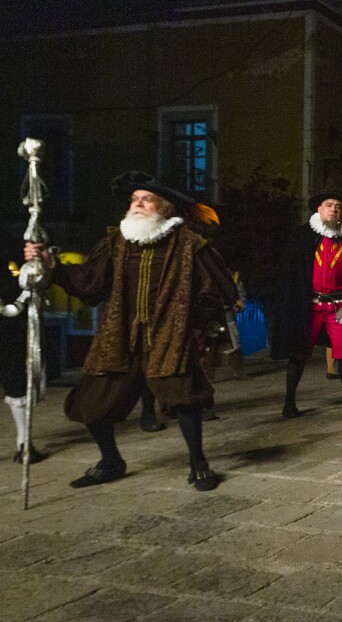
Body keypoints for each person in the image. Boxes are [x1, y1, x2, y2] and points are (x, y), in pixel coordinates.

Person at [24, 171, 237, 491]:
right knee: (91, 401)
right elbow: (89, 282)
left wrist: (196, 320)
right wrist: (49, 265)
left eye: (146, 199)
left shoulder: (190, 245)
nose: (137, 204)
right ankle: (111, 460)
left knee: (186, 398)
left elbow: (217, 289)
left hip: (169, 336)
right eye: (134, 200)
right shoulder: (116, 241)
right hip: (119, 335)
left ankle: (198, 463)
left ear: (165, 209)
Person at [271, 193, 342, 418]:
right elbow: (288, 274)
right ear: (319, 209)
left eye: (338, 206)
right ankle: (289, 404)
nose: (334, 209)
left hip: (340, 308)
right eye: (329, 205)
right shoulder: (301, 237)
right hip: (310, 306)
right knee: (298, 353)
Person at [2, 234, 46, 463]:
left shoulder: (9, 241)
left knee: (15, 379)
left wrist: (31, 261)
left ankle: (24, 443)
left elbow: (23, 278)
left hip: (8, 324)